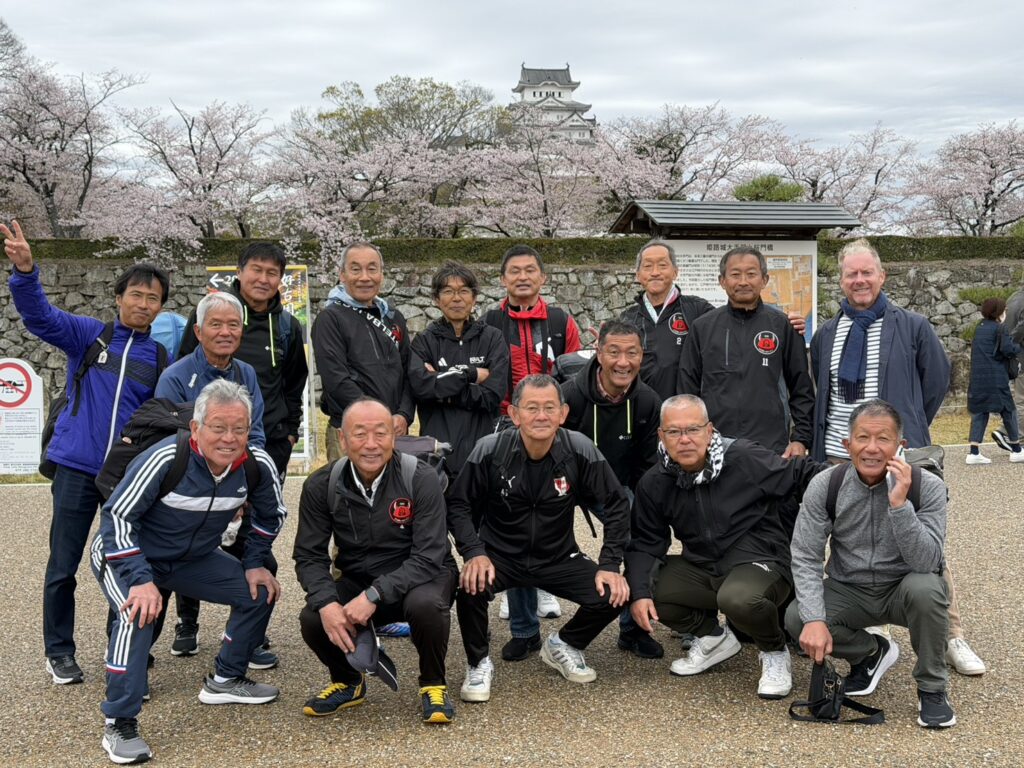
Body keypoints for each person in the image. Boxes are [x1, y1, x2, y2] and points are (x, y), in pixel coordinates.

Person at [3, 219, 171, 686]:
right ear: (119, 298)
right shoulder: (89, 336)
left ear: (160, 307)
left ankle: (125, 644)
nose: (142, 303)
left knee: (131, 562)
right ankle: (59, 651)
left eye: (152, 298)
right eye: (135, 294)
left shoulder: (158, 358)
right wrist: (25, 271)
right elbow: (40, 317)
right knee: (64, 564)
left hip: (125, 478)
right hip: (77, 468)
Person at [809, 238, 985, 676]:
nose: (860, 280)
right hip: (838, 454)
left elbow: (936, 381)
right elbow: (819, 388)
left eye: (867, 272)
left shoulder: (912, 326)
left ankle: (951, 635)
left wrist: (902, 432)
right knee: (850, 540)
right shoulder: (828, 332)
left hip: (899, 454)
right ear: (841, 280)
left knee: (926, 546)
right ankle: (869, 628)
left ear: (882, 276)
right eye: (851, 273)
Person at [90, 380, 286, 763]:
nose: (229, 438)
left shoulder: (256, 466)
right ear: (196, 429)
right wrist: (140, 579)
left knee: (260, 591)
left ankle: (226, 679)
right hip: (127, 555)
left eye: (239, 429)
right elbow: (116, 517)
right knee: (139, 614)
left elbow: (271, 515)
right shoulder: (166, 458)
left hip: (190, 558)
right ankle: (119, 721)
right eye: (218, 427)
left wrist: (255, 561)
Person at [448, 374, 630, 703]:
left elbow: (617, 504)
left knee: (614, 592)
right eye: (532, 407)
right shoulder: (489, 451)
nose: (541, 416)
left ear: (563, 413)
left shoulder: (579, 449)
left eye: (549, 407)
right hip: (500, 557)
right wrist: (473, 552)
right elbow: (458, 504)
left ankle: (564, 644)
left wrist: (609, 563)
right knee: (469, 585)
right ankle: (478, 662)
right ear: (514, 414)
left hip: (558, 557)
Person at [626, 395, 822, 700]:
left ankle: (773, 651)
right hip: (704, 566)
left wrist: (855, 482)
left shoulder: (743, 457)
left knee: (739, 598)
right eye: (674, 432)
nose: (685, 439)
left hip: (762, 561)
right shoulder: (655, 481)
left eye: (693, 429)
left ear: (709, 430)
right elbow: (644, 543)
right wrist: (638, 593)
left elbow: (801, 474)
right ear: (661, 437)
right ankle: (714, 638)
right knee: (649, 586)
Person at [786, 399, 956, 728]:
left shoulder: (928, 487)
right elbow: (806, 554)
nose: (872, 449)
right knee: (799, 617)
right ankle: (870, 653)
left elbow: (927, 560)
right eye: (863, 438)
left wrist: (899, 504)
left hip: (903, 587)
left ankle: (932, 688)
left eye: (884, 439)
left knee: (928, 589)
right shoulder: (826, 484)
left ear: (900, 445)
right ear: (847, 444)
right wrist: (815, 619)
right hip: (849, 587)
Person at [293, 399, 458, 724]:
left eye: (380, 434)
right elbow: (308, 556)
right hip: (359, 578)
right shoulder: (321, 485)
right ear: (342, 439)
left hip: (423, 575)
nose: (371, 444)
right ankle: (348, 681)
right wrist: (327, 603)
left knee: (426, 605)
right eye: (359, 434)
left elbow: (429, 556)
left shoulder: (420, 478)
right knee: (313, 618)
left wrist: (374, 595)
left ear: (394, 437)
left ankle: (433, 683)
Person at [155, 291, 278, 666]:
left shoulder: (247, 373)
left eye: (233, 325)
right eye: (216, 324)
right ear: (198, 330)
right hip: (183, 495)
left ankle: (245, 643)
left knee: (263, 567)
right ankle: (143, 648)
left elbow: (253, 435)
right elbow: (167, 440)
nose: (225, 332)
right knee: (157, 568)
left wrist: (242, 491)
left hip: (234, 489)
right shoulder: (175, 377)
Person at [483, 244, 582, 628]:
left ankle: (545, 583)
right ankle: (514, 588)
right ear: (503, 279)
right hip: (507, 423)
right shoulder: (491, 320)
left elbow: (575, 370)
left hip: (551, 425)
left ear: (542, 277)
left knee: (555, 503)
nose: (522, 277)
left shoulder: (560, 320)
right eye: (514, 271)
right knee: (509, 507)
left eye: (530, 270)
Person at [559, 319, 663, 659]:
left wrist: (639, 506)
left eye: (632, 353)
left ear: (642, 356)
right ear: (599, 353)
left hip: (616, 485)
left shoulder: (647, 401)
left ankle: (632, 630)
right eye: (614, 352)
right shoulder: (571, 394)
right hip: (568, 482)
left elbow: (648, 465)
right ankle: (525, 629)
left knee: (636, 535)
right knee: (528, 531)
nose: (623, 362)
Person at [179, 242, 307, 477]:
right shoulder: (209, 314)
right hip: (212, 443)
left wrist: (289, 434)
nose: (263, 279)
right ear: (239, 272)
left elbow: (294, 383)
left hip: (270, 442)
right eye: (256, 270)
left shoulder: (288, 326)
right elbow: (185, 370)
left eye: (272, 273)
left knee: (264, 512)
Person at [679, 246, 814, 458]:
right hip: (715, 444)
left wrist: (800, 438)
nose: (743, 281)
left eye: (751, 274)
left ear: (765, 280)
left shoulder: (783, 326)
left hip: (772, 446)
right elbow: (687, 390)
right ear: (722, 281)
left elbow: (801, 388)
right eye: (735, 274)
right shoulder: (702, 327)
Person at [312, 242, 413, 462]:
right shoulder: (330, 319)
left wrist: (404, 415)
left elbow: (408, 373)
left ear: (381, 274)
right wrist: (378, 418)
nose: (364, 277)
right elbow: (336, 380)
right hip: (351, 431)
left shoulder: (393, 317)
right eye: (356, 269)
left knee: (396, 495)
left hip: (394, 431)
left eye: (372, 268)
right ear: (342, 275)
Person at [408, 261, 509, 472]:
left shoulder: (492, 338)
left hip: (484, 454)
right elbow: (422, 388)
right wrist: (470, 375)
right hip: (436, 455)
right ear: (436, 299)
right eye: (448, 291)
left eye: (463, 291)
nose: (456, 298)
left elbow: (493, 395)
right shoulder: (424, 341)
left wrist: (442, 384)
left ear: (474, 297)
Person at [620, 240, 714, 400]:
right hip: (642, 411)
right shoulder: (627, 318)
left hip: (685, 412)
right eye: (648, 266)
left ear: (675, 272)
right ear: (638, 275)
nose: (655, 272)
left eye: (662, 265)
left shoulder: (698, 309)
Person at [966, 297, 1023, 462]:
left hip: (978, 378)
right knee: (1009, 411)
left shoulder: (980, 327)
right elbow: (1007, 349)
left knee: (980, 413)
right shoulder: (1000, 328)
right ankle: (1017, 449)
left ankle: (974, 452)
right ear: (998, 312)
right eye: (1004, 310)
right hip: (996, 378)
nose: (1005, 313)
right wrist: (1017, 347)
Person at [993, 287, 1024, 448]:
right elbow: (1020, 329)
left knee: (1020, 399)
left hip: (1014, 358)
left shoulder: (1013, 298)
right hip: (1021, 355)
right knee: (1022, 401)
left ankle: (1007, 430)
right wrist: (1013, 342)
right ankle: (1011, 434)